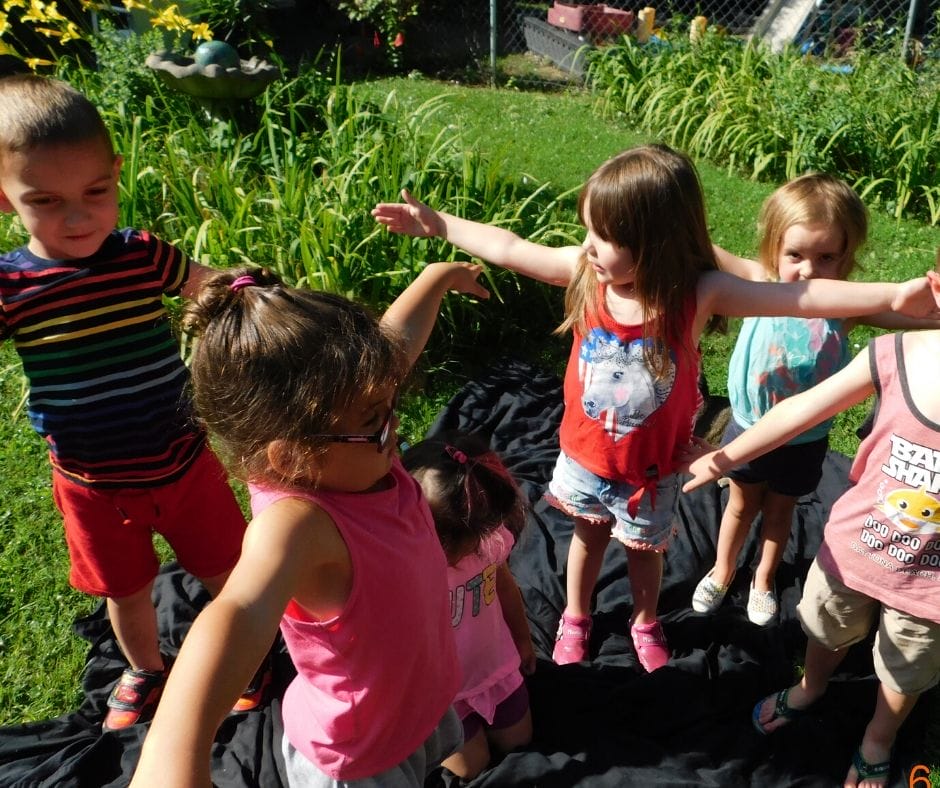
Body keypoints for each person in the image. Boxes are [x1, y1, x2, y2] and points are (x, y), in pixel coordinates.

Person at [372, 143, 940, 672]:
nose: (588, 245)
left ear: (653, 242)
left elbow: (801, 297)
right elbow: (512, 249)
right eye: (588, 231)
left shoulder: (698, 294)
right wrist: (440, 225)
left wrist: (891, 297)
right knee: (586, 539)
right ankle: (577, 614)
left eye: (604, 235)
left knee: (645, 554)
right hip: (585, 460)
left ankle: (645, 620)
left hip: (655, 470)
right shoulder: (587, 276)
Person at [130, 262, 490, 787]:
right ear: (291, 455)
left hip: (414, 700)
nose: (395, 428)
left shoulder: (348, 449)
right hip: (363, 755)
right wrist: (172, 760)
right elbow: (237, 612)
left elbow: (396, 348)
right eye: (376, 420)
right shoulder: (300, 524)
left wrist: (435, 277)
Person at [0, 73, 257, 730]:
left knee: (227, 571)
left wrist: (237, 290)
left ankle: (243, 662)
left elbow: (203, 284)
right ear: (5, 199)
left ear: (117, 172)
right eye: (46, 201)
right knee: (126, 589)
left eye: (97, 192)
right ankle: (145, 669)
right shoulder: (10, 287)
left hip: (185, 462)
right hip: (93, 484)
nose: (80, 217)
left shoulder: (140, 254)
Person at [680, 268, 940, 788]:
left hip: (931, 586)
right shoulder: (896, 354)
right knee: (826, 629)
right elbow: (802, 409)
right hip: (854, 552)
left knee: (904, 667)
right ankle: (811, 686)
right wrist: (725, 457)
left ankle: (878, 738)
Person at [691, 174, 937, 626]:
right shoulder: (757, 281)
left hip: (805, 439)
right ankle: (722, 571)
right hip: (749, 426)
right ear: (772, 248)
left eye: (827, 257)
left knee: (781, 512)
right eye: (795, 255)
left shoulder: (847, 306)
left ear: (847, 256)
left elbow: (914, 313)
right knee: (740, 505)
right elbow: (698, 247)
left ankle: (762, 578)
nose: (808, 270)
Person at [403, 432, 536, 781]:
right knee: (470, 767)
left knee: (520, 743)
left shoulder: (486, 539)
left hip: (494, 667)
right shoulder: (404, 570)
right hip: (443, 695)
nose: (471, 550)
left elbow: (506, 585)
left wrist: (523, 639)